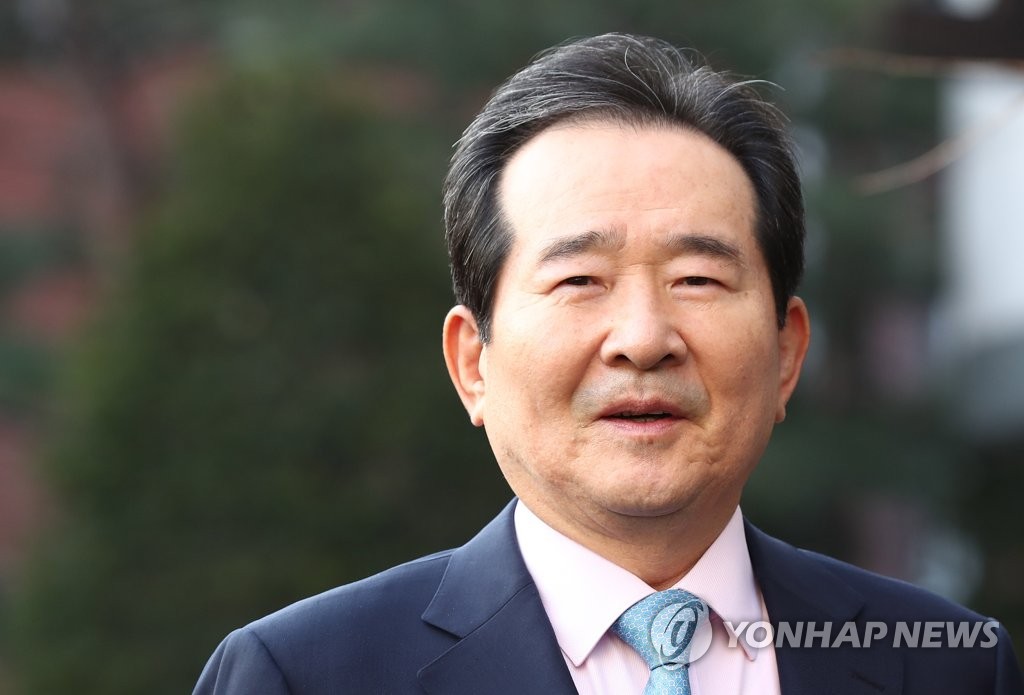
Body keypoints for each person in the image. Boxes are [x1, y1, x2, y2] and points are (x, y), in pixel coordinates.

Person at [194, 33, 1023, 694]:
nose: (643, 337)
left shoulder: (949, 665)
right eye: (580, 280)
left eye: (697, 279)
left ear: (786, 353)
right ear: (473, 362)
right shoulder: (305, 674)